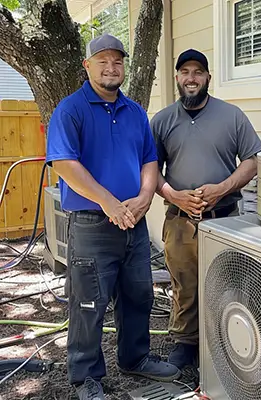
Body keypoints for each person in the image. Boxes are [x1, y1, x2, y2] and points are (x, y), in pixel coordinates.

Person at [46, 34, 181, 400]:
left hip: (133, 224)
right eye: (102, 60)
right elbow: (64, 164)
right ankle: (86, 376)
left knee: (139, 294)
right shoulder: (70, 110)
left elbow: (149, 160)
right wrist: (109, 202)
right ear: (87, 66)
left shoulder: (136, 112)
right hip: (93, 225)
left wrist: (142, 198)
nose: (111, 67)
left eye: (117, 61)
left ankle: (134, 357)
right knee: (89, 302)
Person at [151, 49, 261, 369]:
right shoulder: (162, 121)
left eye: (198, 71)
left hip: (225, 218)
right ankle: (186, 344)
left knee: (227, 284)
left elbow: (253, 161)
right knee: (184, 285)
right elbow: (151, 170)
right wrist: (174, 196)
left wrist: (223, 188)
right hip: (180, 220)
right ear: (176, 78)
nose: (191, 77)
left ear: (208, 78)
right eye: (184, 71)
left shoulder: (232, 116)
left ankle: (224, 342)